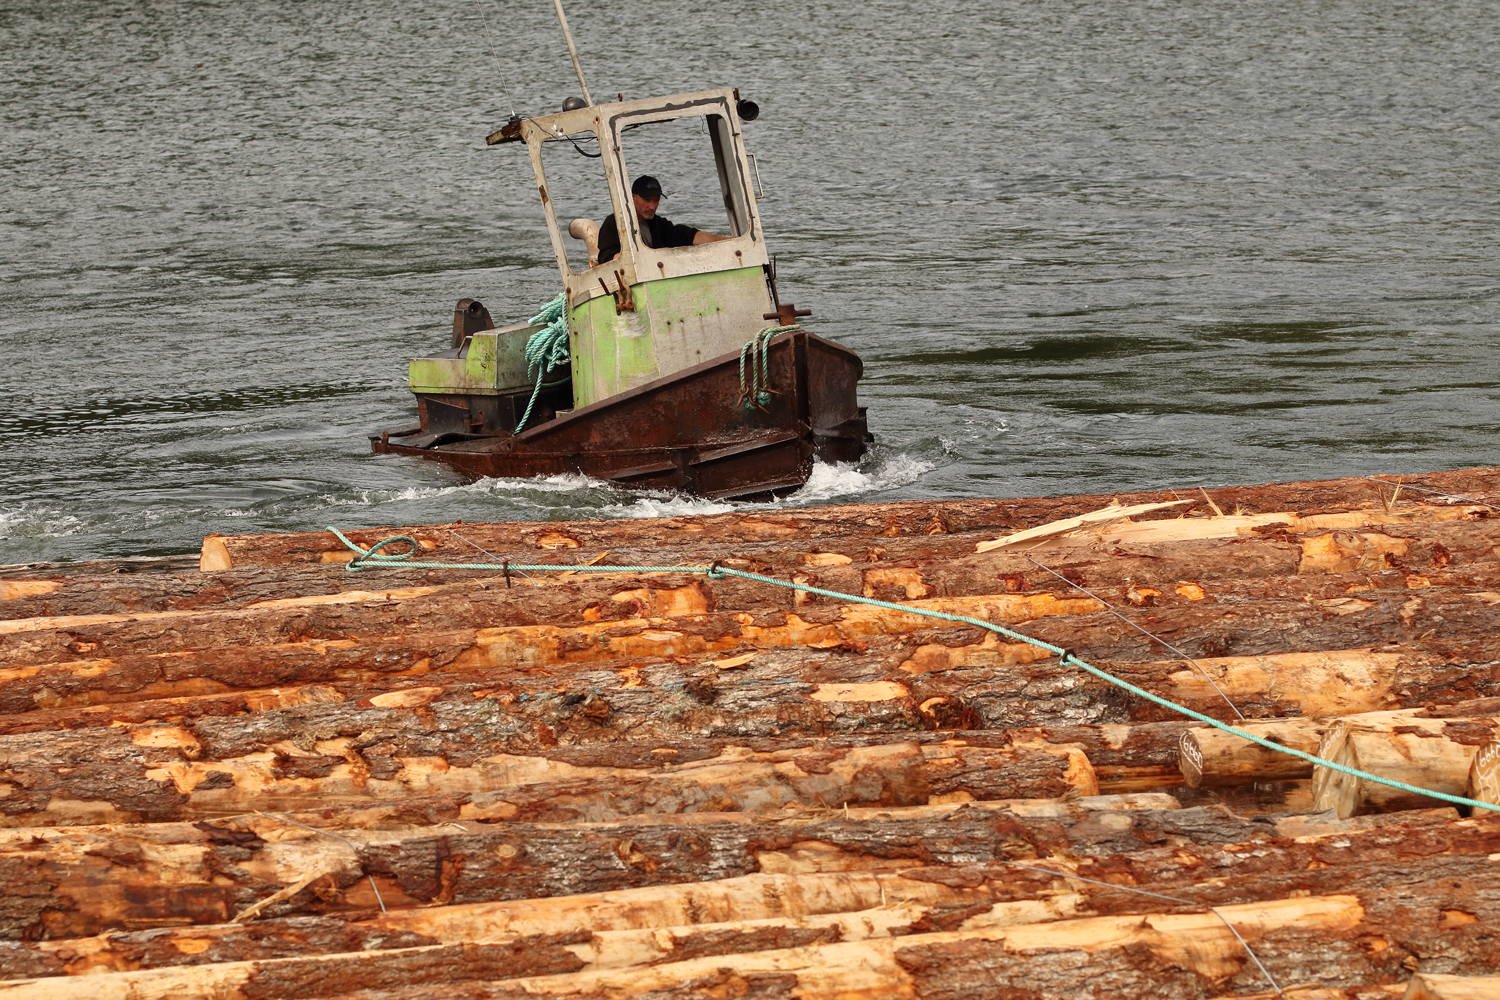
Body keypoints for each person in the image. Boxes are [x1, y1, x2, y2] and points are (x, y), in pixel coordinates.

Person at [596, 175, 728, 264]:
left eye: (656, 201)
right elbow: (607, 258)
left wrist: (728, 241)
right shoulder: (614, 223)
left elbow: (687, 236)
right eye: (647, 200)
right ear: (633, 198)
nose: (652, 206)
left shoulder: (657, 224)